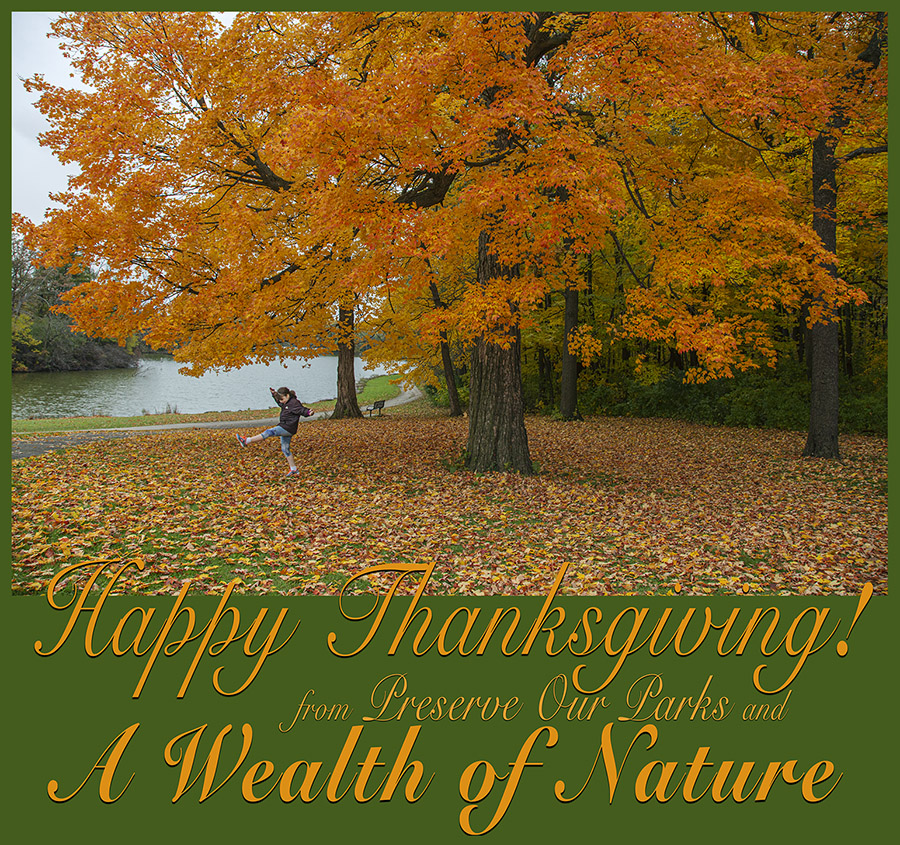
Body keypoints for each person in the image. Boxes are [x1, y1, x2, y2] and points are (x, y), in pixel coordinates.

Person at [235, 387, 312, 477]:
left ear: (287, 395)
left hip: (287, 427)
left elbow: (302, 410)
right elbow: (279, 402)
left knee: (269, 432)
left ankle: (247, 441)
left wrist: (308, 412)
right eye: (280, 400)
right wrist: (274, 394)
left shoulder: (294, 403)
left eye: (282, 399)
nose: (281, 402)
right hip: (286, 428)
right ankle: (294, 469)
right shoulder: (285, 402)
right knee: (285, 449)